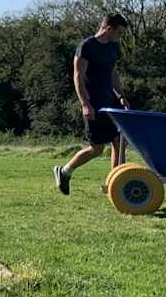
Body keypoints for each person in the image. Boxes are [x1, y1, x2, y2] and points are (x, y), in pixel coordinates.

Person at [54, 12, 130, 195]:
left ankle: (113, 184)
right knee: (97, 148)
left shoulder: (112, 47)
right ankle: (64, 172)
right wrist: (85, 104)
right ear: (108, 28)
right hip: (93, 103)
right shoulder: (87, 46)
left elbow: (113, 74)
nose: (120, 37)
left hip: (110, 102)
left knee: (120, 142)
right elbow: (78, 76)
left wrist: (121, 95)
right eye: (119, 33)